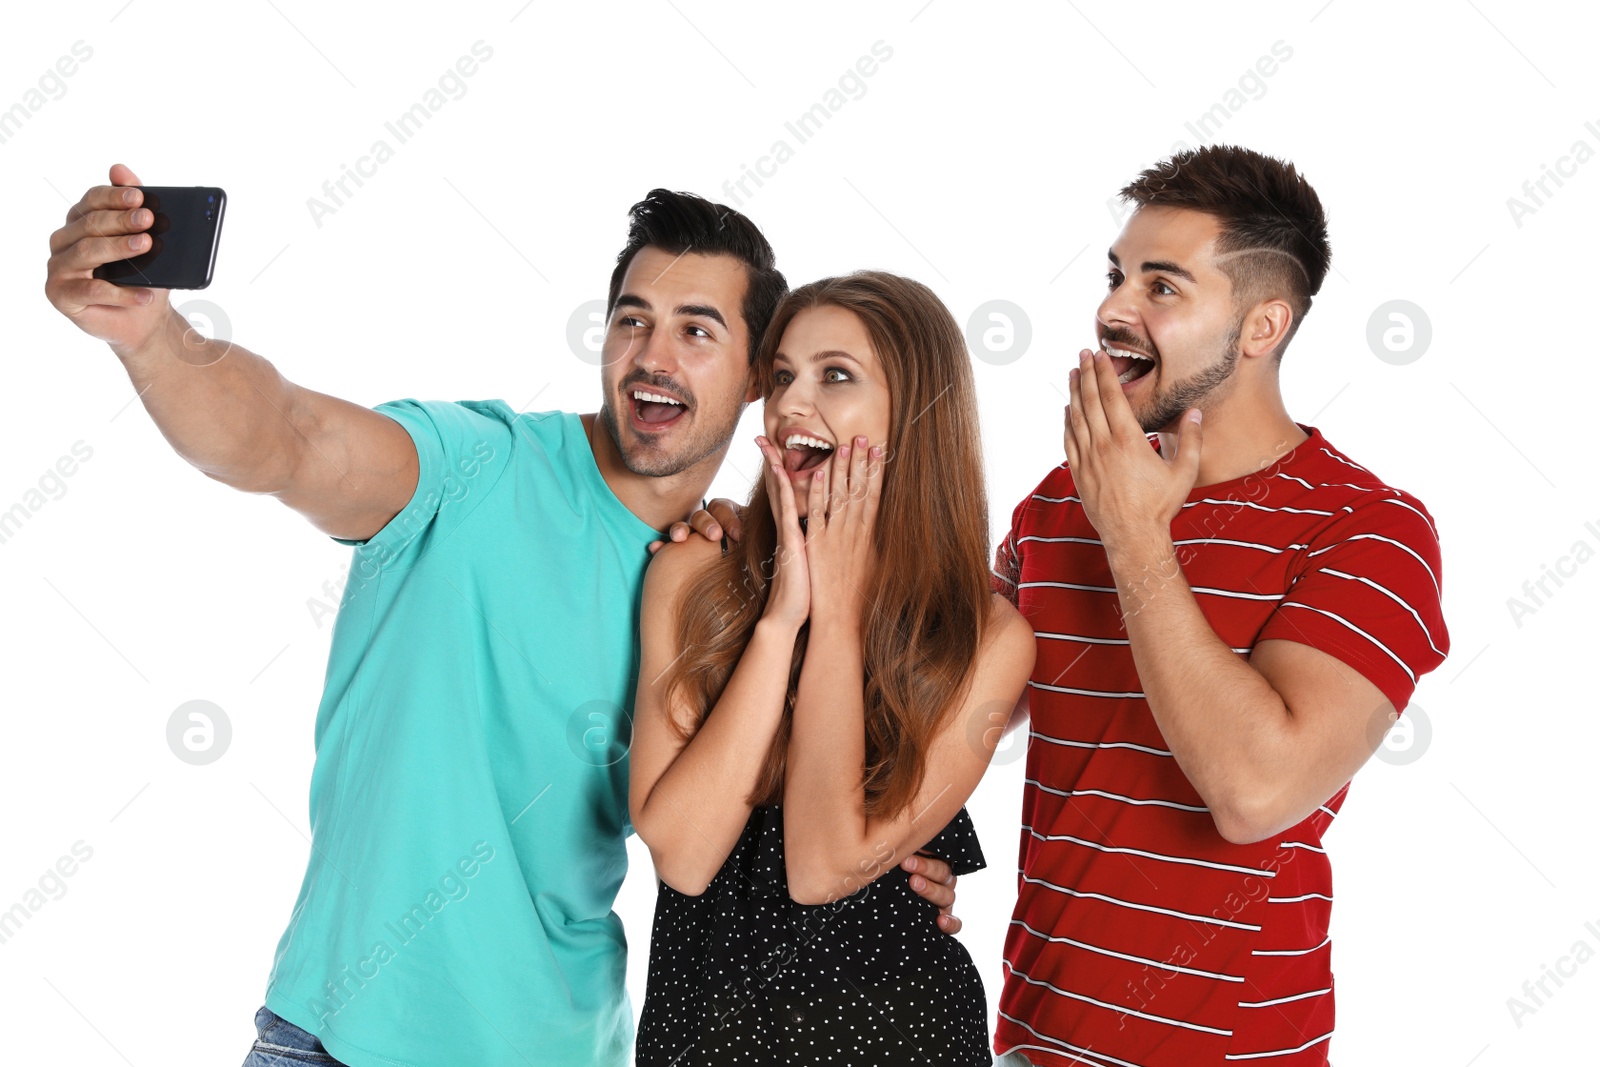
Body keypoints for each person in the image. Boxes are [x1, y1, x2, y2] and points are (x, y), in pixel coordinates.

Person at [43, 171, 964, 1067]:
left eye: (697, 331)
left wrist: (902, 864)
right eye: (632, 319)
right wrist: (153, 338)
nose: (653, 356)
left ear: (760, 376)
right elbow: (287, 436)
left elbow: (771, 827)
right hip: (337, 1042)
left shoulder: (738, 584)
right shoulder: (473, 468)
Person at [990, 145, 1450, 1066]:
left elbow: (1255, 790)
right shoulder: (1060, 499)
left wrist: (1135, 539)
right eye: (1117, 276)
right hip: (1033, 1038)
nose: (1114, 309)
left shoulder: (1369, 530)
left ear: (1261, 325)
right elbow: (955, 713)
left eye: (1162, 287)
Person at [628, 271, 1037, 1066]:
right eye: (782, 376)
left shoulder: (987, 636)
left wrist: (839, 614)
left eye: (835, 375)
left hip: (899, 1035)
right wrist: (782, 620)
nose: (789, 405)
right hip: (704, 1037)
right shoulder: (696, 573)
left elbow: (821, 867)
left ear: (915, 412)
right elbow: (683, 852)